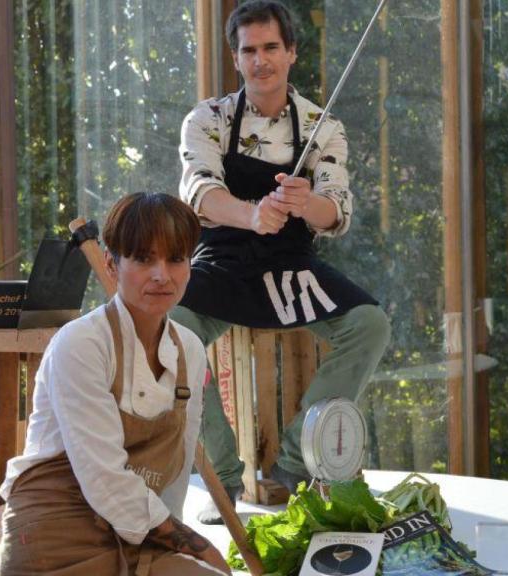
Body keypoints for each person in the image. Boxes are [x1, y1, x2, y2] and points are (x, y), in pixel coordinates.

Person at [174, 0, 391, 525]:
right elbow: (197, 194)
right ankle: (222, 478)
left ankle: (298, 460)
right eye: (249, 50)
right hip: (222, 263)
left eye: (271, 47)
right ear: (236, 58)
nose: (261, 60)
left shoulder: (323, 125)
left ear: (291, 52)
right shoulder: (207, 119)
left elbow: (335, 211)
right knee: (169, 330)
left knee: (370, 324)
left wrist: (303, 203)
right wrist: (252, 216)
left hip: (293, 269)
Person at [0, 193, 230, 575]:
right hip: (55, 533)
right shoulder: (81, 344)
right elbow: (103, 476)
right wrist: (197, 544)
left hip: (137, 532)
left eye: (175, 259)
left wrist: (180, 551)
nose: (161, 275)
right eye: (144, 259)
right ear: (111, 263)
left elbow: (178, 468)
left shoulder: (189, 350)